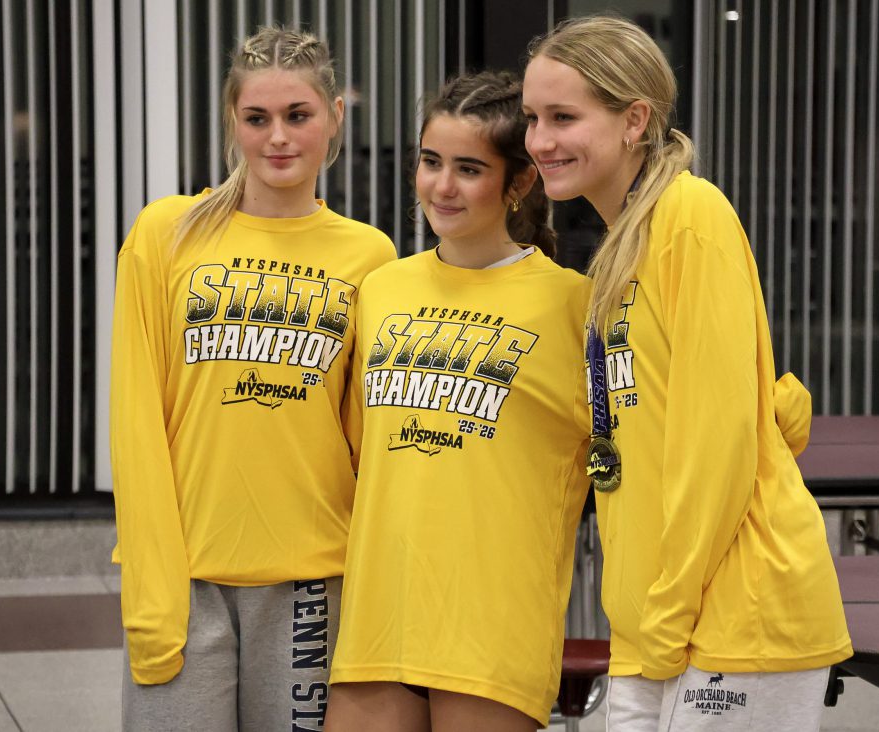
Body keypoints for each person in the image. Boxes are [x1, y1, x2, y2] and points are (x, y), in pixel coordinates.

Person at [522, 16, 852, 731]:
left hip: (736, 618)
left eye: (563, 117)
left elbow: (718, 446)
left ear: (634, 119)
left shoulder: (691, 218)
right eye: (532, 118)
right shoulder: (621, 248)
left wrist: (665, 618)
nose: (540, 141)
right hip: (660, 623)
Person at [110, 26, 395, 731]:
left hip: (310, 581)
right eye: (257, 118)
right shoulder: (166, 233)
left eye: (297, 116)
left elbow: (370, 438)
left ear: (334, 117)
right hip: (187, 579)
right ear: (232, 121)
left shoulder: (370, 255)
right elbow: (135, 415)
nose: (278, 138)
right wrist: (152, 586)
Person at [324, 71, 591, 732]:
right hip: (379, 623)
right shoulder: (381, 289)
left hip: (492, 631)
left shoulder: (574, 304)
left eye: (469, 168)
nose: (441, 186)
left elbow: (642, 442)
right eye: (430, 161)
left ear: (520, 182)